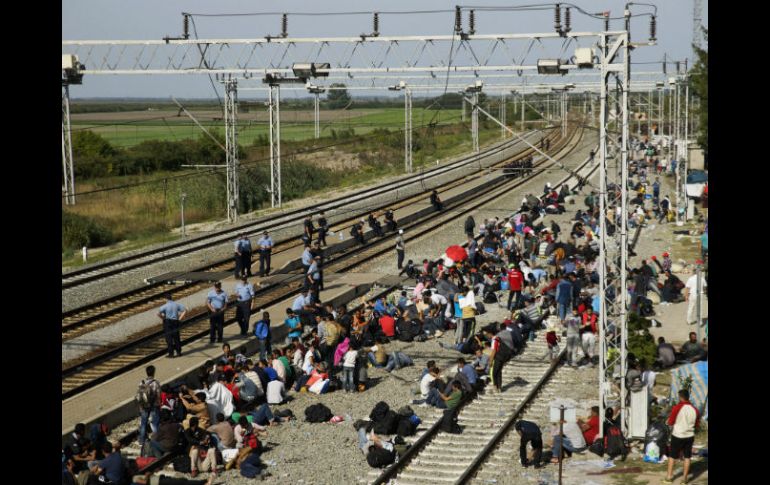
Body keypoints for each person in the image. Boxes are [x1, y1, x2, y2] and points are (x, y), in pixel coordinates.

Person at [663, 389, 701, 484]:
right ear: (688, 397)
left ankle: (669, 477)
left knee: (672, 456)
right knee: (687, 457)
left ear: (681, 397)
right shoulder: (695, 409)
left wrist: (668, 421)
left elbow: (671, 422)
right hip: (689, 435)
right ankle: (684, 479)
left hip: (678, 435)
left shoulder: (677, 408)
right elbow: (697, 425)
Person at [136, 365, 162, 456]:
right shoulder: (156, 383)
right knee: (155, 423)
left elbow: (139, 396)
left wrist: (141, 406)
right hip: (154, 406)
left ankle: (141, 441)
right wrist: (159, 404)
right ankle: (156, 439)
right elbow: (159, 395)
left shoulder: (142, 382)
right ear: (153, 372)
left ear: (146, 372)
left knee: (143, 423)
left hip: (144, 406)